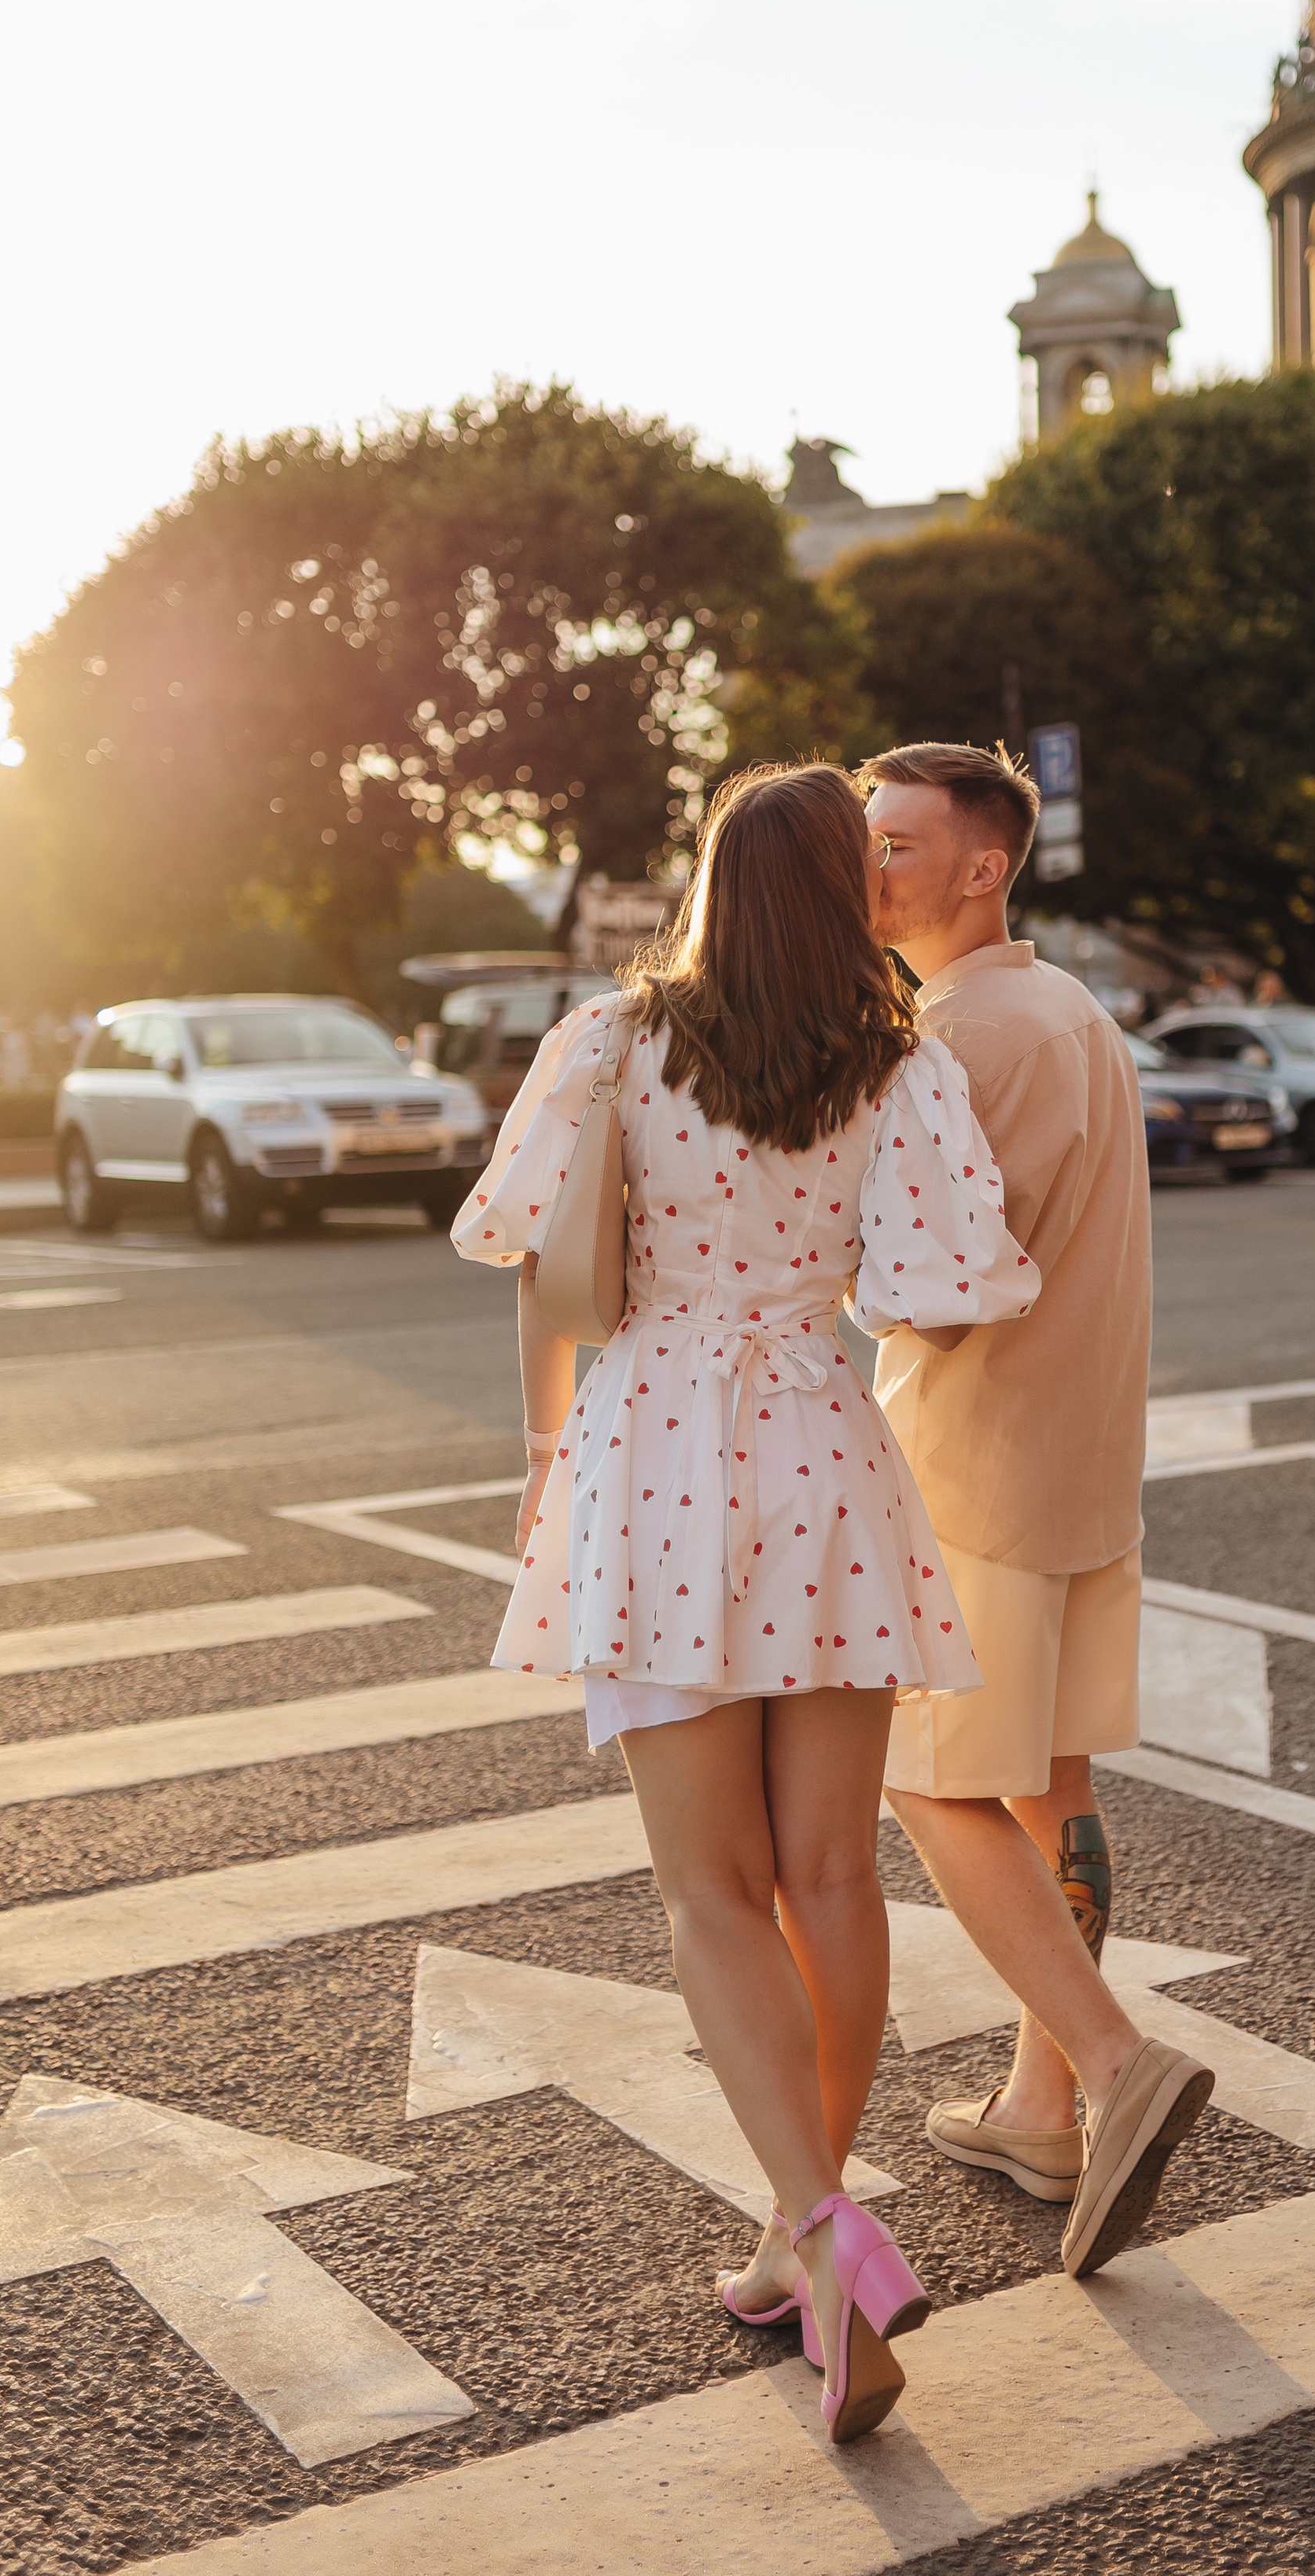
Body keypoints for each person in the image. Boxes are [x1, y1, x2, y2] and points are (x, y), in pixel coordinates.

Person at [452, 762, 1038, 2447]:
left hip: (649, 1458)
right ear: (834, 893)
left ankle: (814, 2224)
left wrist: (546, 1445)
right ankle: (805, 2228)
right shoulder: (894, 1055)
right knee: (831, 1871)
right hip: (818, 1443)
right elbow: (937, 1287)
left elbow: (545, 1265)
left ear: (715, 879)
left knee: (710, 1890)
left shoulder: (611, 1042)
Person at [856, 741, 1214, 2283]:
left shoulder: (953, 1036)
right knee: (1045, 1787)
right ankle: (1039, 2105)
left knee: (926, 1785)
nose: (863, 862)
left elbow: (930, 1292)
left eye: (891, 840)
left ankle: (1113, 2066)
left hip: (971, 1468)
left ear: (978, 863)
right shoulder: (1069, 1010)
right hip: (1079, 1466)